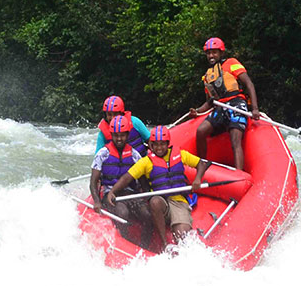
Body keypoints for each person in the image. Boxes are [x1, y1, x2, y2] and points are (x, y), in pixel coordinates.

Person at [106, 125, 211, 250]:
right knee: (155, 201)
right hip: (161, 203)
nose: (159, 148)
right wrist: (112, 191)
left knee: (183, 238)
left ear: (167, 144)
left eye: (162, 144)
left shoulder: (181, 155)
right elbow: (127, 177)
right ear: (151, 145)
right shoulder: (146, 162)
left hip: (179, 202)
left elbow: (201, 164)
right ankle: (164, 244)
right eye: (155, 144)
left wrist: (198, 179)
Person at [192, 37, 257, 172]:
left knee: (235, 140)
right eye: (208, 53)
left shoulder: (231, 63)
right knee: (201, 131)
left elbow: (249, 84)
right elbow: (210, 102)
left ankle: (239, 174)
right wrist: (197, 111)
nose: (211, 56)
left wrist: (255, 108)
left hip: (236, 104)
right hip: (220, 107)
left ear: (221, 53)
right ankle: (202, 165)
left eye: (214, 52)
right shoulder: (207, 75)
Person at [90, 115, 155, 248]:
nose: (119, 139)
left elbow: (143, 182)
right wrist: (97, 201)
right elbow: (93, 182)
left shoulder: (134, 154)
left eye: (122, 135)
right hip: (110, 194)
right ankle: (125, 242)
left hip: (130, 193)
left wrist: (146, 198)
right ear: (111, 135)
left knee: (148, 216)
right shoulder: (103, 154)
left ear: (127, 135)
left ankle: (145, 245)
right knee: (123, 213)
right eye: (116, 135)